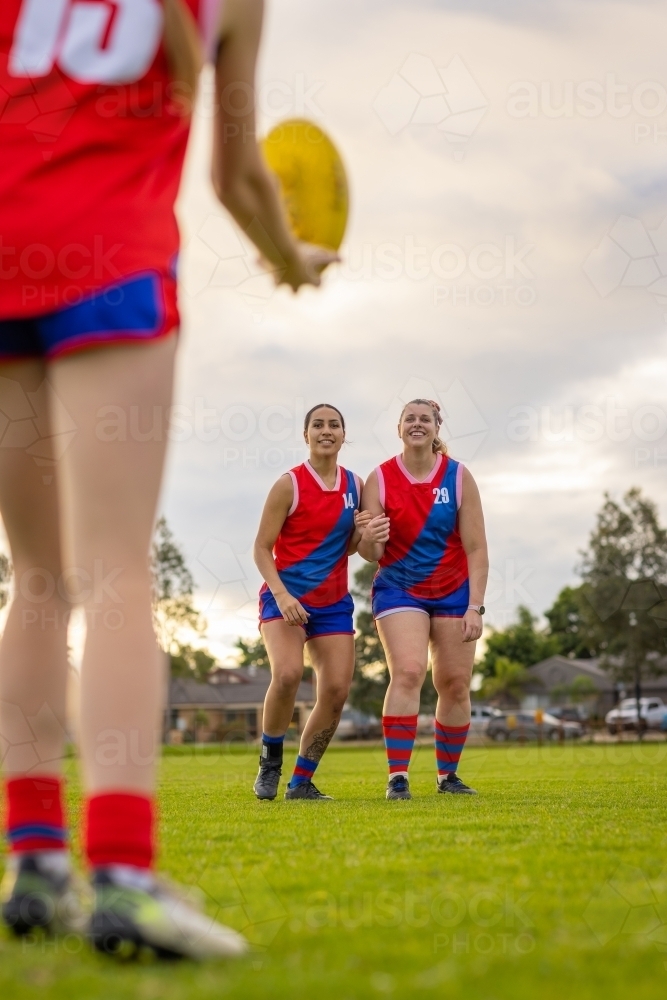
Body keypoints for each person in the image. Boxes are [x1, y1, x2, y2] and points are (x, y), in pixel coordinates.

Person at [0, 0, 337, 960]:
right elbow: (235, 177)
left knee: (34, 575)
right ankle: (121, 874)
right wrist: (292, 262)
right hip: (107, 260)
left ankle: (34, 864)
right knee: (112, 570)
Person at [357, 399, 488, 800]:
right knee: (409, 671)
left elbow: (477, 548)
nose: (417, 425)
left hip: (454, 591)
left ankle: (448, 777)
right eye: (409, 419)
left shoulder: (460, 476)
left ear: (436, 427)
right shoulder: (378, 478)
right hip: (400, 587)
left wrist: (475, 606)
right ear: (399, 429)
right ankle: (398, 776)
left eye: (424, 419)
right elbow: (370, 554)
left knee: (454, 683)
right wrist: (370, 538)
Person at [253, 404, 368, 801]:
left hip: (333, 604)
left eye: (334, 425)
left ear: (343, 434)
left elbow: (354, 547)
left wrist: (369, 533)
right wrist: (282, 596)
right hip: (284, 598)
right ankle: (269, 763)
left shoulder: (356, 485)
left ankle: (301, 781)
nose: (326, 430)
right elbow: (261, 549)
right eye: (318, 425)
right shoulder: (289, 484)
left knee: (335, 692)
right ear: (306, 435)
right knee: (286, 675)